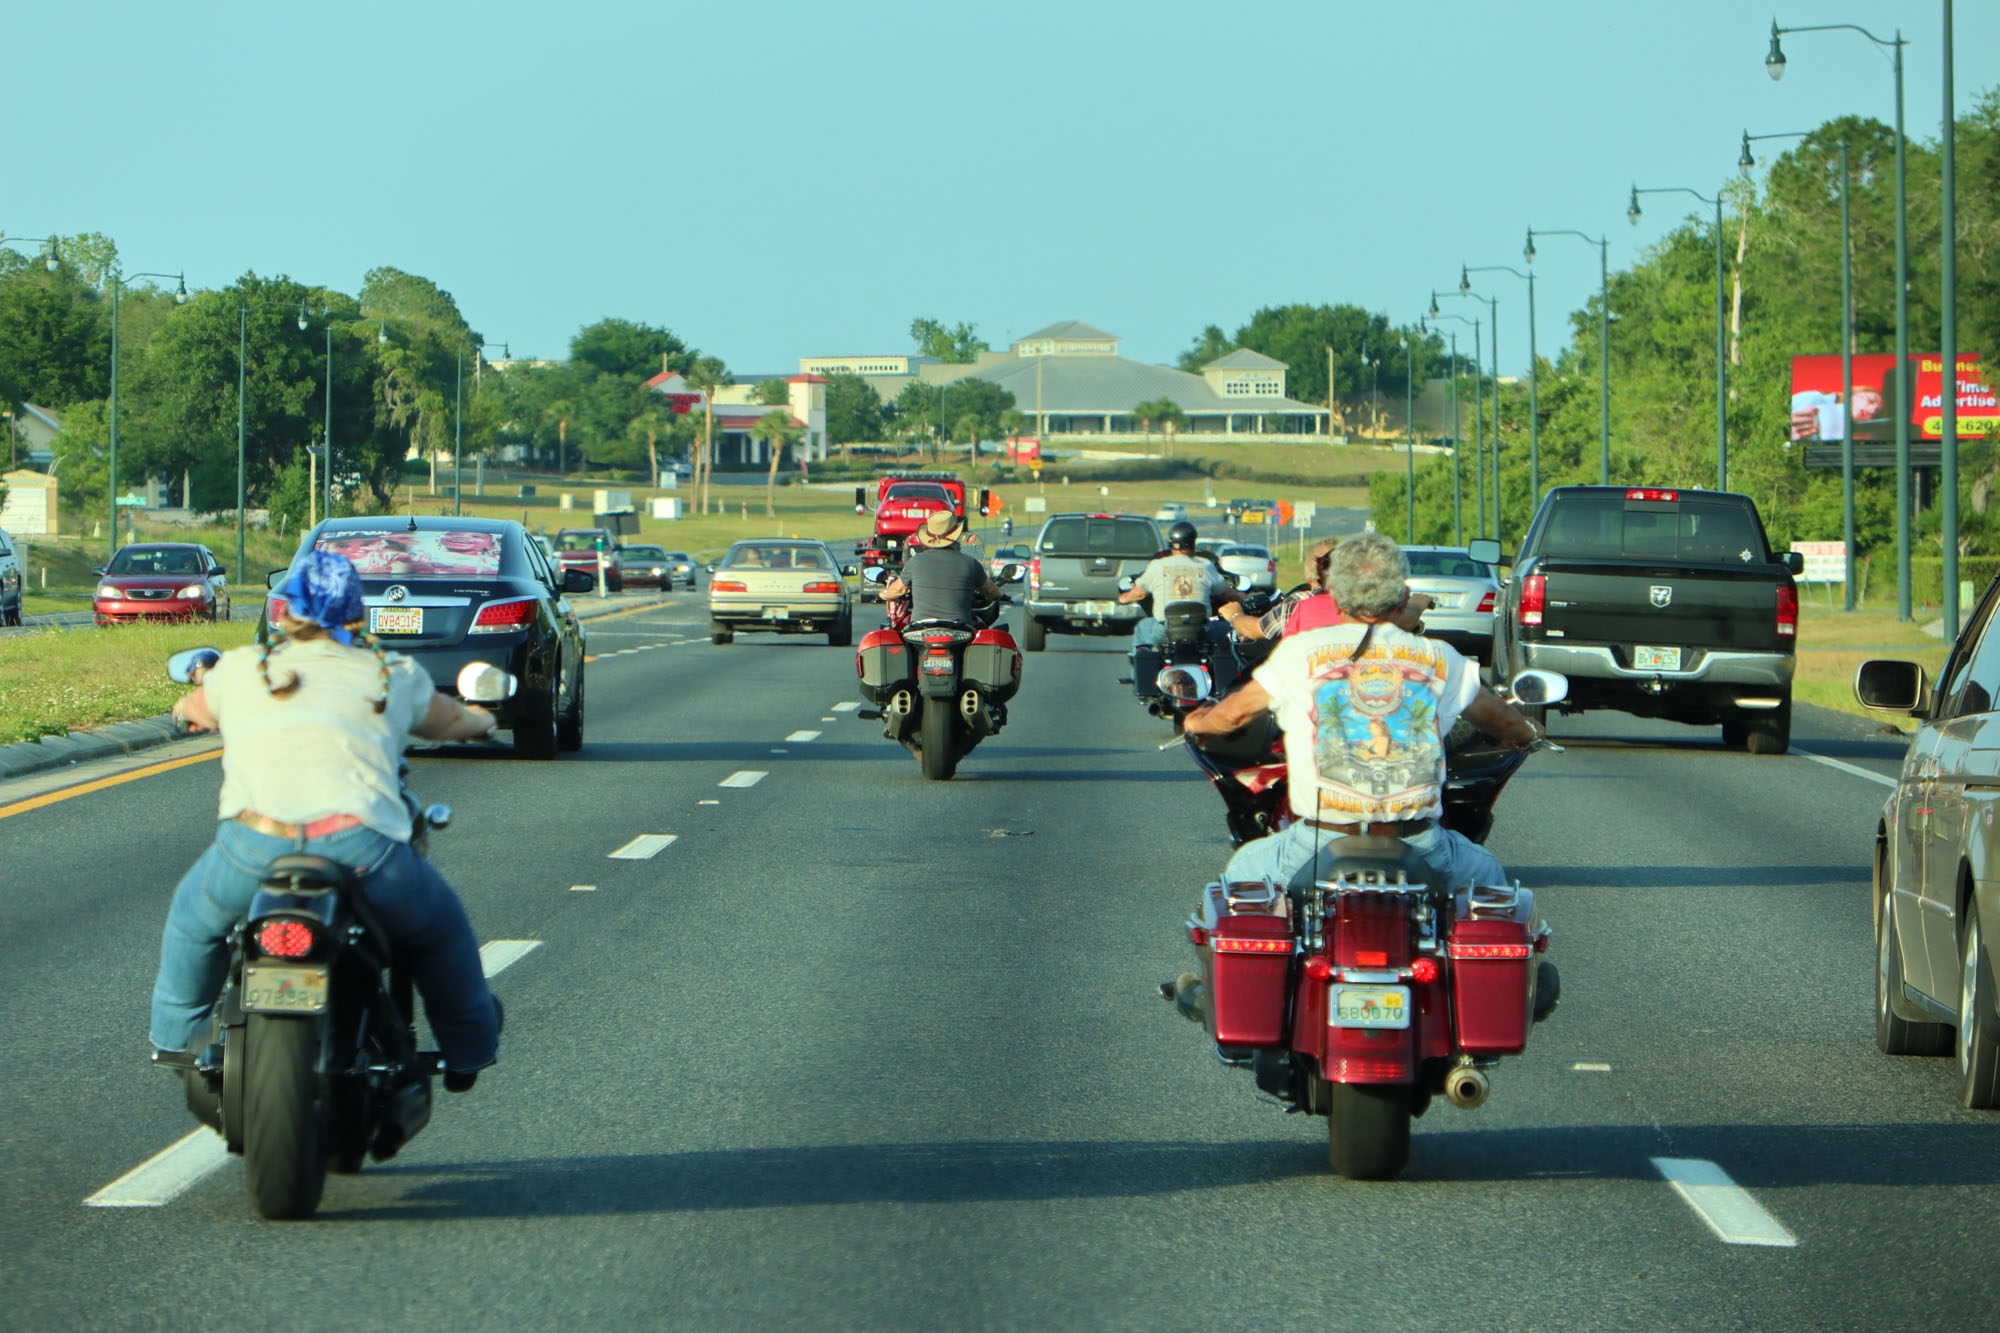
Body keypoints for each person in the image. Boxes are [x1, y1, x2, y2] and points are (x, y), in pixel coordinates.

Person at [151, 550, 504, 1091]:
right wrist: (482, 717)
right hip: (361, 846)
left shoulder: (244, 668)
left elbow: (194, 707)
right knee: (441, 932)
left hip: (254, 842)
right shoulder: (389, 672)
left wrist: (184, 710)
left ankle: (174, 1040)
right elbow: (450, 719)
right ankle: (468, 1050)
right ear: (355, 612)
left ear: (285, 610)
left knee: (193, 921)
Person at [1183, 531, 1541, 892]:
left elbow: (1232, 715)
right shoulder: (1439, 657)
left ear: (1335, 594)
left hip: (1320, 842)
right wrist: (1528, 733)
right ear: (1402, 596)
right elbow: (1500, 719)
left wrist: (1198, 719)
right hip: (1418, 842)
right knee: (1492, 887)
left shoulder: (1298, 652)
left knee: (1239, 879)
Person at [1119, 520, 1240, 649]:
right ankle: (1227, 668)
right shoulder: (1205, 566)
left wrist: (1123, 598)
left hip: (1165, 630)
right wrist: (1243, 598)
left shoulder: (1157, 565)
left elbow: (1139, 593)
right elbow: (1226, 594)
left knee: (1142, 628)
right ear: (1193, 544)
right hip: (1202, 631)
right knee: (1230, 629)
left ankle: (1143, 668)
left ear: (1171, 544)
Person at [883, 510, 1002, 623]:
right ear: (956, 537)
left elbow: (897, 590)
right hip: (960, 630)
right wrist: (1001, 593)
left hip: (920, 631)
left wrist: (883, 594)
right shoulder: (971, 563)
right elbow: (991, 591)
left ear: (929, 539)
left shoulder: (915, 561)